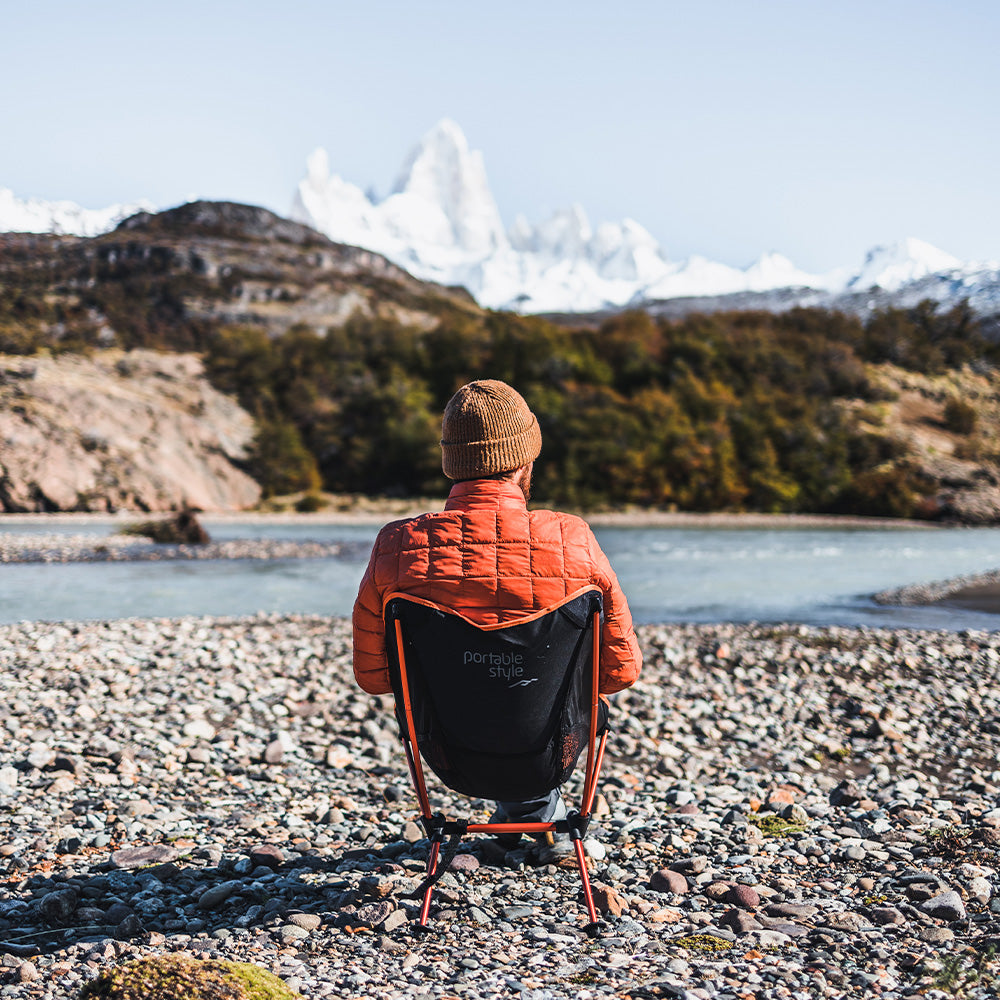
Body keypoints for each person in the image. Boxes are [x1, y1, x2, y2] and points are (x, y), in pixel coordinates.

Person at [352, 379, 642, 849]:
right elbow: (619, 673)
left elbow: (376, 678)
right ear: (526, 459)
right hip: (551, 751)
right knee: (563, 701)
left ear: (453, 463)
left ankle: (519, 817)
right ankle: (539, 818)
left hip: (450, 756)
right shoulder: (573, 541)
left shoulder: (397, 546)